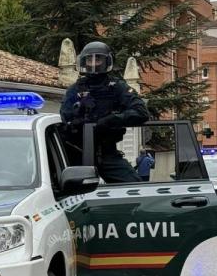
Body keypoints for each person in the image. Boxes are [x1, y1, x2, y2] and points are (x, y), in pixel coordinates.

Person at [60, 41, 150, 183]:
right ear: (84, 61)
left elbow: (141, 112)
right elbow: (66, 117)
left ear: (107, 61)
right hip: (77, 153)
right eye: (90, 59)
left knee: (135, 186)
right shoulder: (75, 90)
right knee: (67, 189)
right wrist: (82, 118)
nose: (94, 63)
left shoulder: (117, 87)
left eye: (99, 59)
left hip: (108, 154)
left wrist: (112, 120)